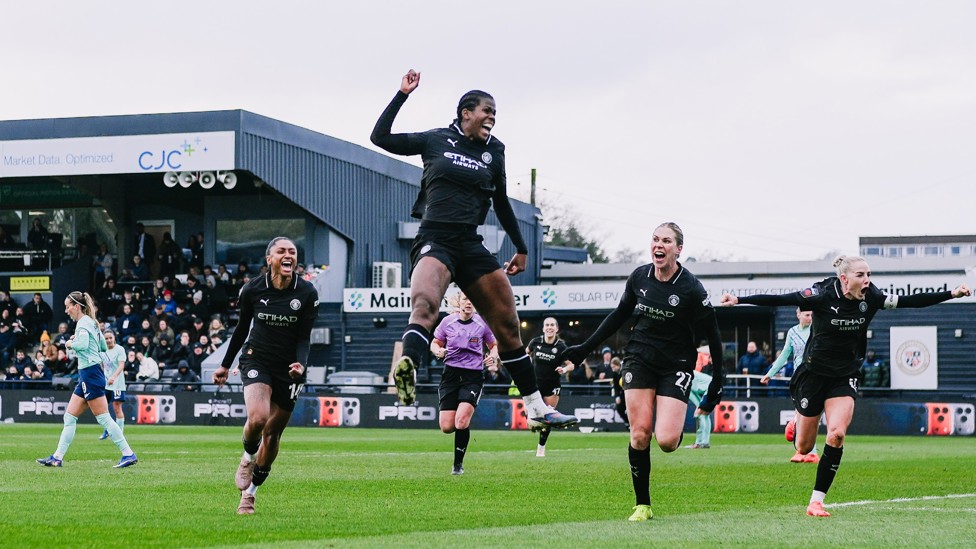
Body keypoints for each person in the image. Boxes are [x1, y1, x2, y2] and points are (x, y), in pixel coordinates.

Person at [370, 69, 576, 430]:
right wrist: (402, 95)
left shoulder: (494, 152)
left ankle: (537, 408)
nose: (492, 118)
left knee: (508, 324)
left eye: (495, 113)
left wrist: (522, 246)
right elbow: (380, 137)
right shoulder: (436, 140)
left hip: (471, 243)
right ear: (466, 112)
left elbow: (502, 201)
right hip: (435, 237)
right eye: (486, 111)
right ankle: (408, 368)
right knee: (425, 304)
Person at [720, 254, 970, 518]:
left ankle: (816, 501)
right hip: (813, 375)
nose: (867, 281)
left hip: (844, 376)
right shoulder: (821, 294)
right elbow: (783, 298)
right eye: (861, 275)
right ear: (844, 279)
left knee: (836, 434)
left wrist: (952, 293)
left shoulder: (872, 297)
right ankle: (797, 423)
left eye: (869, 275)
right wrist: (739, 299)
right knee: (804, 447)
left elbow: (911, 302)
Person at [558, 222, 724, 522]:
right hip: (639, 358)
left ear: (678, 249)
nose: (659, 245)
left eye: (667, 241)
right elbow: (618, 315)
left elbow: (713, 336)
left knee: (667, 441)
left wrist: (717, 383)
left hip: (676, 365)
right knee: (639, 434)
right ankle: (643, 505)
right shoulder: (639, 277)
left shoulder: (692, 288)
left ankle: (671, 420)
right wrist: (583, 349)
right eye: (655, 239)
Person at [212, 237, 318, 515]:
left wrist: (301, 365)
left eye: (292, 252)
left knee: (272, 435)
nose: (288, 255)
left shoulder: (307, 293)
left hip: (289, 369)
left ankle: (250, 494)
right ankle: (247, 458)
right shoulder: (252, 289)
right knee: (258, 417)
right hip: (256, 359)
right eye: (281, 251)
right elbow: (240, 329)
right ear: (269, 258)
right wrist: (224, 365)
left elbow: (304, 338)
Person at [36, 291, 138, 468]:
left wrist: (69, 343)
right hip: (89, 373)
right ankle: (57, 457)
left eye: (68, 307)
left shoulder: (83, 323)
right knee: (69, 417)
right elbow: (103, 346)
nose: (66, 310)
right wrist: (84, 339)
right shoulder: (91, 322)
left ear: (77, 306)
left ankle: (128, 453)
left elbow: (83, 346)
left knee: (104, 418)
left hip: (90, 373)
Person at [430, 292, 497, 475]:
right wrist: (438, 351)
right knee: (447, 427)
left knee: (461, 421)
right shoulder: (447, 322)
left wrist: (493, 358)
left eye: (472, 299)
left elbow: (494, 346)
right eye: (465, 299)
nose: (469, 303)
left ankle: (457, 465)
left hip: (473, 377)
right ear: (459, 303)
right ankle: (462, 425)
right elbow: (434, 343)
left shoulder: (482, 323)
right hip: (450, 376)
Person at [760, 308, 818, 463]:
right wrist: (770, 373)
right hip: (800, 376)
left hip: (816, 374)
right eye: (806, 315)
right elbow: (785, 354)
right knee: (806, 411)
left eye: (812, 315)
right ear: (798, 314)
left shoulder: (817, 329)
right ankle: (806, 451)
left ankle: (801, 440)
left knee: (810, 412)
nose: (810, 318)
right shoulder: (792, 332)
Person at [526, 317, 575, 457]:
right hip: (535, 384)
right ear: (543, 328)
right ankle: (535, 423)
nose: (549, 327)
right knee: (531, 415)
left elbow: (571, 364)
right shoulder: (535, 342)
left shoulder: (561, 347)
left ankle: (541, 447)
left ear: (556, 328)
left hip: (552, 386)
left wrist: (564, 370)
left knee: (549, 417)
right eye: (547, 325)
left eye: (552, 325)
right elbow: (525, 354)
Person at [98, 329, 128, 441]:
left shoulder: (120, 349)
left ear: (114, 338)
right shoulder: (102, 351)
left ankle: (119, 433)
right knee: (103, 408)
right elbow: (102, 365)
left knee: (117, 407)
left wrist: (114, 377)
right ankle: (108, 429)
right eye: (106, 338)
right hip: (106, 384)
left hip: (117, 385)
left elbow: (121, 365)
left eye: (110, 338)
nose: (109, 340)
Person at [685, 370, 713, 449]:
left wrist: (699, 407)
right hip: (715, 386)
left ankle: (699, 443)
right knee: (705, 414)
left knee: (699, 413)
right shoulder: (688, 374)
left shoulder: (685, 380)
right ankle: (705, 442)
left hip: (711, 387)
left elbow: (693, 397)